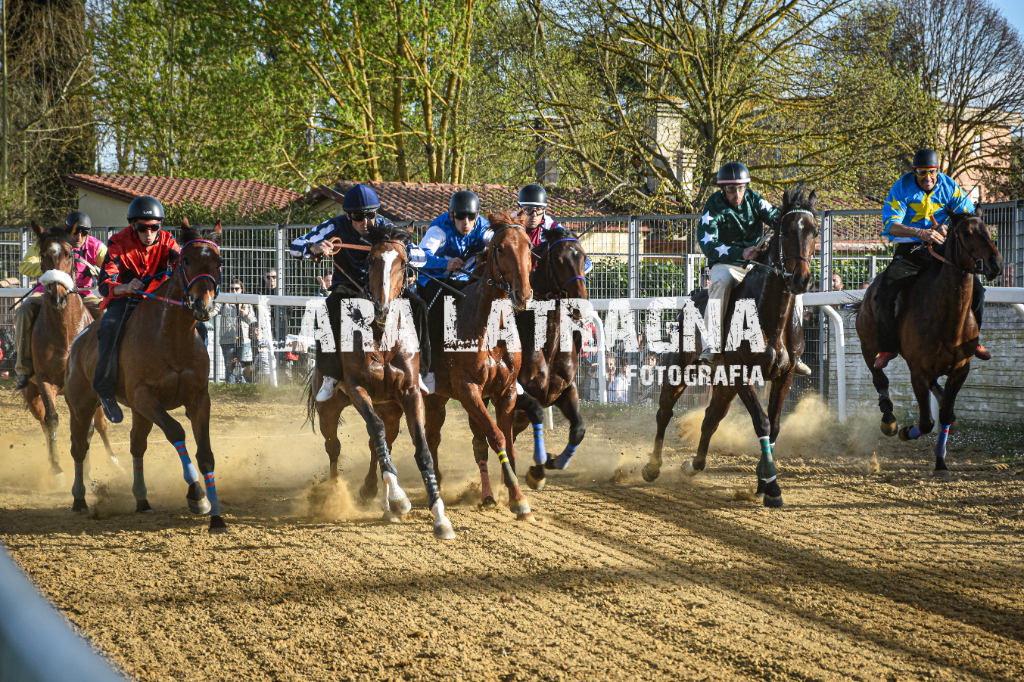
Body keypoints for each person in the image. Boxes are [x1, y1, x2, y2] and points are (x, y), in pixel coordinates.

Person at [290, 184, 429, 402]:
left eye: (370, 215)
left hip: (384, 289)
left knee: (419, 306)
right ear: (347, 215)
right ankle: (330, 375)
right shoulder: (334, 226)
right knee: (327, 311)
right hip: (348, 286)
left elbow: (422, 256)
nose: (365, 223)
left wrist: (404, 254)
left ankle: (422, 372)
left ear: (377, 213)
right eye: (357, 217)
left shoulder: (386, 227)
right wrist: (315, 247)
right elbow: (295, 245)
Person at [872, 148, 986, 369]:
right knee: (884, 292)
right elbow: (890, 224)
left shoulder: (948, 185)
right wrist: (920, 233)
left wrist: (949, 227)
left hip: (942, 248)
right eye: (922, 172)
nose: (928, 178)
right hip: (911, 251)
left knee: (978, 290)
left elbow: (968, 215)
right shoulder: (901, 188)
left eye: (932, 172)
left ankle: (974, 341)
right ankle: (887, 347)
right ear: (914, 172)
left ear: (937, 171)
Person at [696, 161, 811, 376]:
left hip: (757, 264)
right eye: (731, 189)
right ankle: (711, 345)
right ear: (723, 189)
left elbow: (776, 216)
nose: (737, 194)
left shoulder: (754, 199)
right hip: (727, 265)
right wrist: (741, 253)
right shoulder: (713, 205)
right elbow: (707, 243)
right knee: (720, 282)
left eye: (741, 188)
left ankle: (795, 352)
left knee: (793, 288)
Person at [93, 196, 179, 423]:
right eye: (142, 228)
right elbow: (103, 285)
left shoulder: (169, 242)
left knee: (197, 327)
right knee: (109, 328)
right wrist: (125, 286)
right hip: (125, 300)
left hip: (158, 300)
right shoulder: (117, 242)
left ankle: (195, 384)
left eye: (154, 228)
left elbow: (183, 267)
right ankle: (105, 390)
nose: (149, 233)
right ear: (133, 226)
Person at [14, 211, 108, 390]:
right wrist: (48, 267)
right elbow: (25, 266)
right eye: (75, 232)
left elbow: (113, 264)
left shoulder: (97, 246)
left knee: (108, 315)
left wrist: (98, 270)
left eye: (84, 232)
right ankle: (23, 368)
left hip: (83, 295)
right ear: (67, 230)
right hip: (46, 293)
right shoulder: (48, 242)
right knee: (23, 311)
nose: (79, 236)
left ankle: (107, 366)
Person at [219, 279, 254, 381]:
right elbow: (213, 311)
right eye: (231, 289)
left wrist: (246, 314)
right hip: (228, 340)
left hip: (244, 340)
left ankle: (242, 391)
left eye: (237, 288)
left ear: (241, 290)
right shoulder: (224, 302)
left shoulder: (247, 302)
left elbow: (253, 319)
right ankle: (230, 389)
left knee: (241, 367)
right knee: (230, 368)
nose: (234, 291)